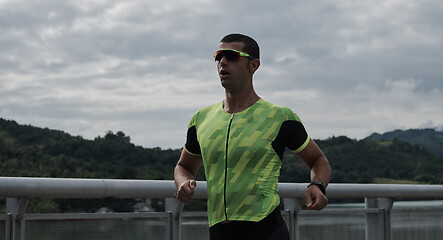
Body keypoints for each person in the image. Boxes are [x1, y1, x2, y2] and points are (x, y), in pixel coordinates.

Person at [174, 33, 331, 240]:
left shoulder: (280, 117)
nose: (222, 62)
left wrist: (317, 185)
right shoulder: (201, 119)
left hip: (266, 230)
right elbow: (183, 167)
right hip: (219, 231)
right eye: (218, 56)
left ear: (253, 65)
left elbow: (318, 161)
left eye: (232, 56)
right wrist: (183, 182)